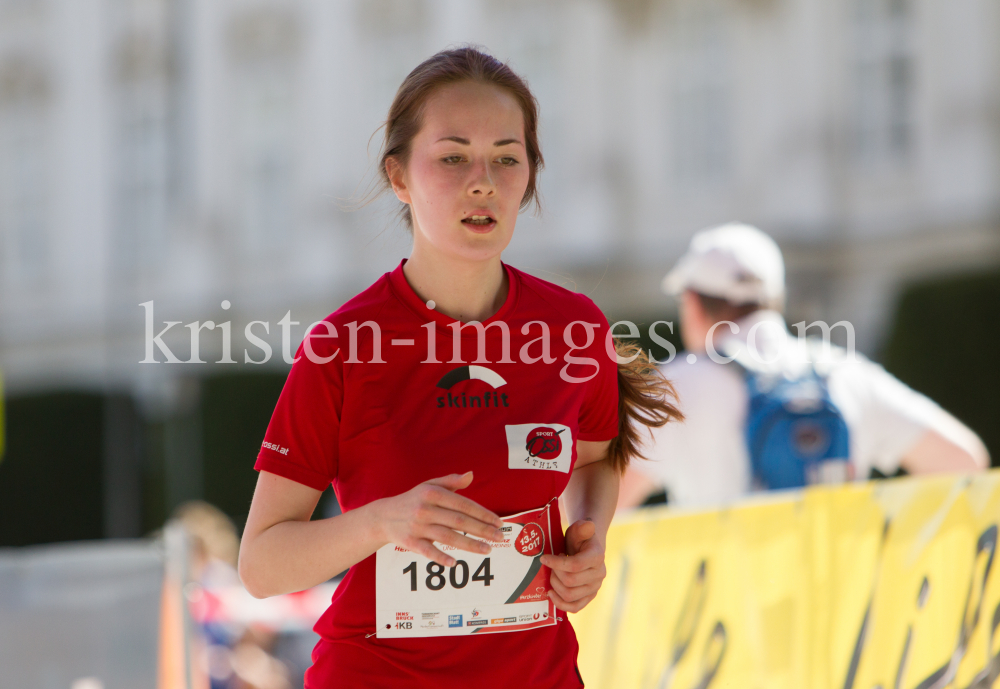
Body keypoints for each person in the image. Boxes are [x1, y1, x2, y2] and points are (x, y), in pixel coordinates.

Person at [238, 47, 680, 688]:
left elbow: (592, 458)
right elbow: (260, 565)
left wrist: (590, 536)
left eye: (507, 157)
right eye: (452, 157)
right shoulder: (343, 345)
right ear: (399, 177)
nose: (483, 181)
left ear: (530, 174)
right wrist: (383, 520)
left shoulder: (573, 328)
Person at [618, 222, 989, 510]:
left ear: (693, 303)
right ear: (774, 300)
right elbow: (964, 459)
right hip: (839, 604)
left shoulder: (675, 386)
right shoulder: (844, 370)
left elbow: (600, 505)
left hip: (726, 605)